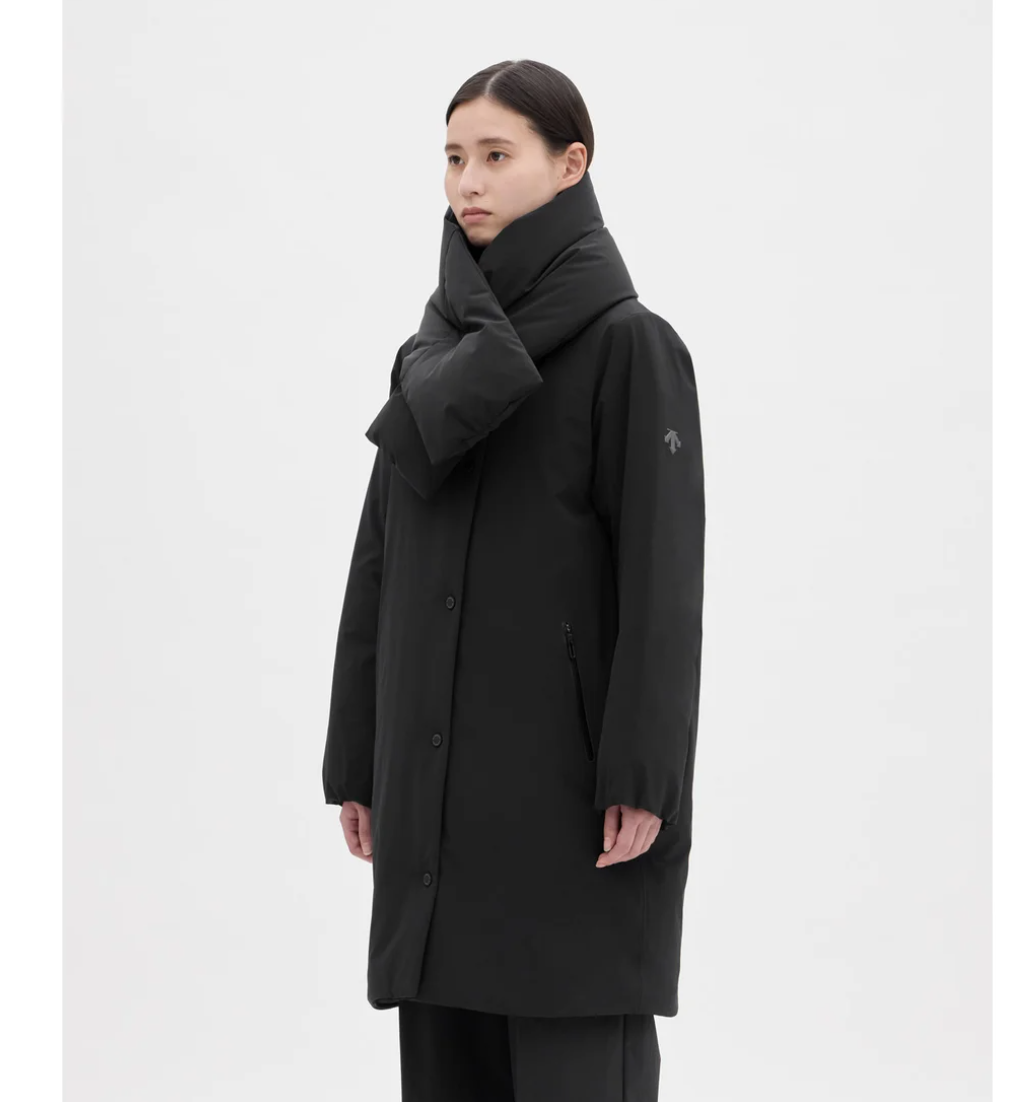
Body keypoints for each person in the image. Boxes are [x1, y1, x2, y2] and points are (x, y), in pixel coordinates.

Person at [322, 58, 705, 1102]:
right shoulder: (430, 360)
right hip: (435, 786)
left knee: (574, 1051)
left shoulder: (631, 348)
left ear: (571, 164)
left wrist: (644, 776)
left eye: (497, 155)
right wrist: (358, 756)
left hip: (567, 798)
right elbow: (379, 560)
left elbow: (663, 584)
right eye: (454, 158)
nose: (469, 182)